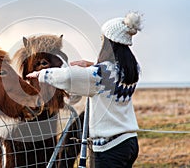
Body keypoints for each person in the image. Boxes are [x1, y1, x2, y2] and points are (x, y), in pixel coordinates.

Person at [27, 12, 142, 168]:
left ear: (109, 43)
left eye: (103, 39)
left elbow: (68, 77)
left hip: (110, 147)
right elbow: (107, 75)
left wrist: (40, 74)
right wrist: (91, 65)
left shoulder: (100, 75)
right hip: (129, 142)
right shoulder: (131, 68)